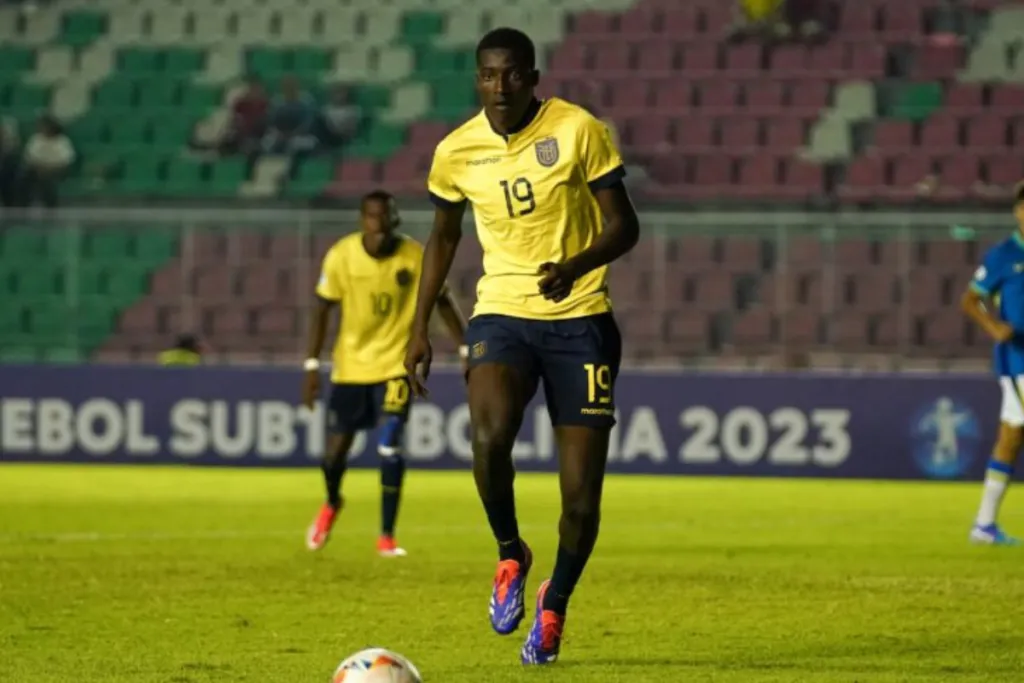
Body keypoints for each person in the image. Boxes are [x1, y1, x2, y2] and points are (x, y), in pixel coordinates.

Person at [403, 28, 640, 665]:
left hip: (581, 318)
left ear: (533, 78)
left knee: (581, 498)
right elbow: (444, 240)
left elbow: (625, 226)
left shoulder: (578, 130)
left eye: (511, 75)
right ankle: (511, 552)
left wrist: (576, 264)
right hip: (501, 312)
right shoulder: (456, 152)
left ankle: (555, 602)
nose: (499, 87)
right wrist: (417, 327)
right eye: (487, 75)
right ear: (477, 79)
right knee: (488, 437)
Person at [302, 189, 468, 557]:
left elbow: (443, 300)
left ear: (395, 219)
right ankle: (332, 502)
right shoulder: (342, 256)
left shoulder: (414, 256)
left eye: (388, 216)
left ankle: (386, 537)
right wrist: (312, 365)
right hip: (351, 367)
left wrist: (464, 347)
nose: (382, 224)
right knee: (333, 457)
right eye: (375, 217)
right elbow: (321, 310)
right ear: (364, 219)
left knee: (389, 444)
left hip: (396, 366)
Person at [961, 182, 1024, 546]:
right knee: (1011, 436)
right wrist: (994, 326)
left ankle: (984, 525)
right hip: (1018, 358)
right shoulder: (1003, 255)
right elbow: (970, 300)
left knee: (1011, 438)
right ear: (1016, 212)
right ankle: (983, 526)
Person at [20, 115, 75, 208]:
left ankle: (50, 207)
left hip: (57, 170)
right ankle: (22, 205)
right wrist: (39, 167)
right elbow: (29, 157)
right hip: (37, 169)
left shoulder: (62, 141)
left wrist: (49, 168)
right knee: (23, 175)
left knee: (48, 179)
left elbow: (66, 161)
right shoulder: (36, 139)